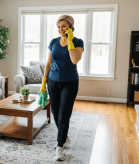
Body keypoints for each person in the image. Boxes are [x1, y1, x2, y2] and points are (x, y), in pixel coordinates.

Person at [39, 15, 84, 161]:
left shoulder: (77, 42)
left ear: (70, 27)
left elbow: (74, 59)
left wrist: (69, 40)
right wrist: (43, 82)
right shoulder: (53, 42)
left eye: (63, 26)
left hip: (70, 82)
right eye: (58, 27)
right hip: (52, 81)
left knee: (64, 115)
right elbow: (48, 63)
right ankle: (64, 136)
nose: (60, 29)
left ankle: (59, 146)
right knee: (55, 113)